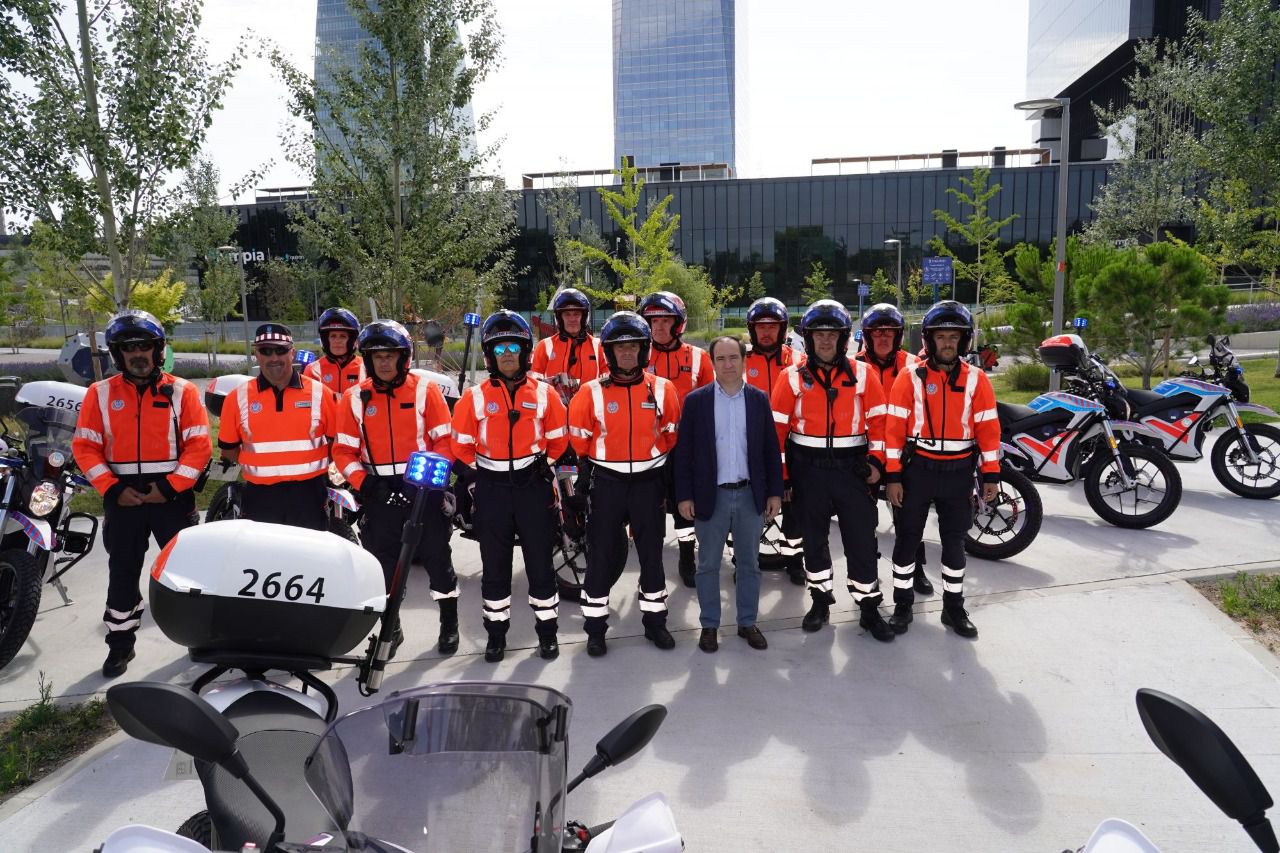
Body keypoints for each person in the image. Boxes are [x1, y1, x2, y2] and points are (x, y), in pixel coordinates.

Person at [72, 310, 211, 677]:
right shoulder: (99, 394)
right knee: (122, 573)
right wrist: (113, 489)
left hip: (170, 497)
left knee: (189, 574)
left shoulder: (183, 391)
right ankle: (120, 645)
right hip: (123, 499)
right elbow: (85, 448)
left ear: (158, 349)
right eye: (128, 347)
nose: (138, 353)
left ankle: (203, 637)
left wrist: (167, 487)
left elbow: (199, 447)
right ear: (117, 354)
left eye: (144, 346)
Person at [332, 320, 459, 656]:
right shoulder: (354, 398)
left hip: (423, 488)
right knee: (385, 567)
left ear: (404, 357)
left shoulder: (425, 390)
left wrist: (431, 483)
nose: (384, 362)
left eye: (390, 355)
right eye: (377, 357)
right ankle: (392, 628)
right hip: (379, 492)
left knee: (438, 561)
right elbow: (343, 452)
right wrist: (366, 484)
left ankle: (449, 624)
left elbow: (445, 441)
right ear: (368, 360)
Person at [771, 299, 895, 642]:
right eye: (818, 335)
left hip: (852, 471)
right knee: (814, 541)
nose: (825, 342)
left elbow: (880, 424)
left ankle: (869, 605)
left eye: (832, 335)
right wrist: (782, 478)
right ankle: (820, 600)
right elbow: (776, 433)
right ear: (807, 339)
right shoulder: (791, 377)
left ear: (845, 339)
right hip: (807, 471)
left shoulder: (864, 374)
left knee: (861, 540)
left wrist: (876, 463)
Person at [452, 310, 570, 662]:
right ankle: (496, 635)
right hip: (492, 491)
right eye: (499, 349)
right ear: (490, 356)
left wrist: (538, 468)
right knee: (495, 566)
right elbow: (459, 444)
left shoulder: (546, 394)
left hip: (532, 487)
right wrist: (483, 472)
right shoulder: (473, 398)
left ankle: (547, 634)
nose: (507, 355)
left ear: (524, 352)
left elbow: (558, 441)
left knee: (540, 564)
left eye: (513, 348)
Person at [884, 300, 1001, 639]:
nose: (948, 342)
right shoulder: (909, 377)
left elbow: (988, 430)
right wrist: (893, 475)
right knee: (907, 539)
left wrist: (990, 474)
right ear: (930, 340)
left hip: (958, 472)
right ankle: (903, 605)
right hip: (917, 469)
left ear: (963, 341)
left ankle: (954, 607)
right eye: (941, 336)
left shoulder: (977, 380)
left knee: (954, 543)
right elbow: (893, 431)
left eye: (954, 336)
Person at [568, 311, 682, 657]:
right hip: (607, 484)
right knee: (601, 556)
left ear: (644, 350)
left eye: (634, 347)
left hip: (649, 484)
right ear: (610, 353)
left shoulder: (663, 389)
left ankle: (655, 622)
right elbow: (580, 442)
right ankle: (595, 629)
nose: (628, 353)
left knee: (651, 556)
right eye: (621, 348)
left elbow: (670, 435)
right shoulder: (590, 393)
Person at [673, 336, 783, 653]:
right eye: (720, 359)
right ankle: (709, 625)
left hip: (749, 496)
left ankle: (747, 622)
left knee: (749, 564)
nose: (728, 365)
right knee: (707, 565)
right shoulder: (696, 402)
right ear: (712, 362)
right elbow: (684, 455)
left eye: (733, 357)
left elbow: (770, 450)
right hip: (712, 497)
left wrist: (774, 492)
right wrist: (684, 496)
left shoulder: (759, 400)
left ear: (744, 360)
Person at [217, 324, 337, 530]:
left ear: (293, 353)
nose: (274, 358)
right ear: (256, 354)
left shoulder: (321, 394)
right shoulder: (236, 398)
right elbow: (228, 449)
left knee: (309, 559)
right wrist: (262, 467)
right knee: (263, 560)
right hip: (260, 498)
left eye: (280, 350)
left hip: (309, 497)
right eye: (266, 351)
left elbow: (337, 443)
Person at [855, 303, 933, 596]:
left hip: (905, 455)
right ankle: (868, 572)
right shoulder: (855, 366)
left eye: (889, 332)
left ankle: (917, 570)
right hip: (867, 455)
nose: (883, 338)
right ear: (867, 335)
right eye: (877, 332)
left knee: (909, 518)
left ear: (899, 335)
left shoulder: (915, 365)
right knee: (864, 520)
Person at [637, 290, 712, 588]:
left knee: (685, 507)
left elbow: (711, 402)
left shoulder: (698, 358)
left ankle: (685, 558)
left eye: (665, 320)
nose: (658, 327)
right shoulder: (635, 354)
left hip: (686, 448)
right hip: (648, 448)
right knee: (649, 509)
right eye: (652, 320)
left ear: (678, 323)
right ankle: (650, 565)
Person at [742, 296, 805, 586]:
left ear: (783, 330)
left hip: (790, 442)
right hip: (748, 442)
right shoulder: (739, 360)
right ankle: (743, 559)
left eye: (773, 327)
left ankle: (794, 559)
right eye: (761, 327)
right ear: (752, 330)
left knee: (793, 504)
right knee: (744, 501)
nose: (766, 332)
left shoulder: (798, 360)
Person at [529, 287, 605, 406]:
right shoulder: (544, 346)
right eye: (567, 314)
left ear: (584, 317)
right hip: (555, 413)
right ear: (559, 318)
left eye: (576, 314)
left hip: (590, 413)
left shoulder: (599, 346)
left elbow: (608, 384)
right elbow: (534, 385)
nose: (572, 319)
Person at [303, 307, 366, 398]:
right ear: (326, 340)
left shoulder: (366, 367)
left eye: (343, 336)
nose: (337, 341)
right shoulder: (313, 370)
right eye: (333, 336)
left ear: (351, 340)